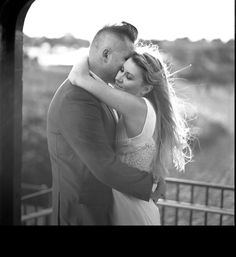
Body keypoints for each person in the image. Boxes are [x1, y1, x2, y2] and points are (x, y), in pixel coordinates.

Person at [47, 22, 165, 225]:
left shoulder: (103, 93)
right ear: (106, 54)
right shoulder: (77, 98)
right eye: (125, 59)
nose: (126, 65)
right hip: (82, 215)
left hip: (104, 209)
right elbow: (103, 166)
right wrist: (152, 185)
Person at [68, 44, 193, 225]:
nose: (119, 78)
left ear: (146, 89)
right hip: (131, 207)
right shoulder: (148, 110)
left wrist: (86, 55)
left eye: (129, 77)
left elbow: (79, 77)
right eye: (121, 70)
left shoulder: (137, 107)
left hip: (134, 213)